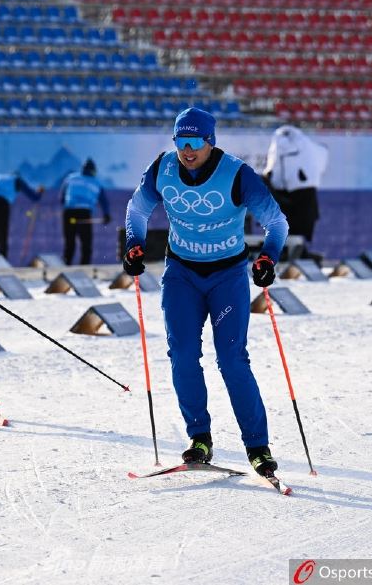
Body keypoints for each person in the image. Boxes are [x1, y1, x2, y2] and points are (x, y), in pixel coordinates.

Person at [122, 107, 289, 479]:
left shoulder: (237, 174)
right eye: (181, 141)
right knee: (182, 355)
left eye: (195, 142)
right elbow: (137, 209)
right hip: (182, 274)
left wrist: (268, 256)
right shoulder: (162, 168)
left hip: (227, 276)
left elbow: (277, 222)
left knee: (232, 359)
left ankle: (257, 447)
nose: (187, 150)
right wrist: (134, 244)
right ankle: (199, 438)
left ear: (210, 142)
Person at [262, 124, 328, 262]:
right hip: (292, 193)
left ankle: (297, 250)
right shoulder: (301, 144)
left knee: (297, 225)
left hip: (296, 193)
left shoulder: (292, 143)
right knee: (288, 224)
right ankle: (290, 251)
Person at [0, 172, 44, 260]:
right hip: (1, 204)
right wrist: (40, 192)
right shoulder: (16, 180)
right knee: (2, 236)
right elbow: (34, 197)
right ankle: (2, 259)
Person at [59, 158, 111, 265]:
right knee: (86, 244)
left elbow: (62, 198)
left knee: (69, 243)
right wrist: (106, 215)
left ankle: (65, 267)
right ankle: (84, 268)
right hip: (84, 214)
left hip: (69, 213)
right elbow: (104, 201)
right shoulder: (96, 183)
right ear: (93, 171)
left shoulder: (70, 178)